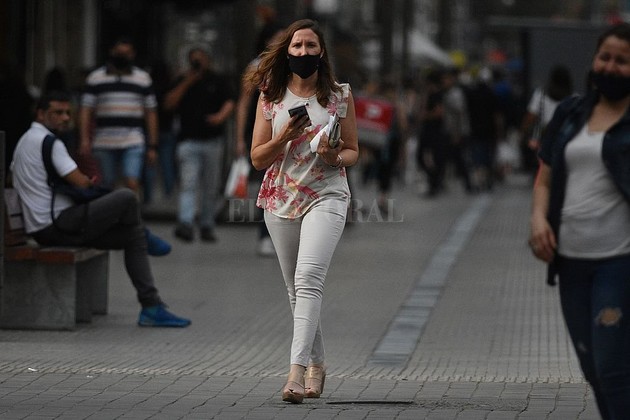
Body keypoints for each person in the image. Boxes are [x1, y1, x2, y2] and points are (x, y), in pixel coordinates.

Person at [246, 19, 358, 403]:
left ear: (321, 52)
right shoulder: (270, 96)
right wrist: (284, 137)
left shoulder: (339, 95)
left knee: (309, 278)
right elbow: (258, 158)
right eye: (297, 46)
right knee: (296, 289)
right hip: (281, 197)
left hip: (328, 193)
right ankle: (317, 365)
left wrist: (333, 155)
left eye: (311, 46)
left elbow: (353, 151)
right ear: (287, 51)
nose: (303, 52)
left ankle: (294, 372)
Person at [11, 91, 190, 328]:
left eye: (68, 113)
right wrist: (86, 181)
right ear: (41, 114)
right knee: (126, 197)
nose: (65, 118)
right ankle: (147, 239)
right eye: (58, 113)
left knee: (132, 236)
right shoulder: (49, 142)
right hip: (58, 224)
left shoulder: (25, 141)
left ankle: (151, 306)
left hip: (48, 226)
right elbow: (80, 182)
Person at [529, 23, 630, 419]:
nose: (610, 67)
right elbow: (545, 178)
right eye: (605, 57)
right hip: (570, 261)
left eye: (622, 61)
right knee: (592, 369)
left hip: (618, 261)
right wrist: (539, 220)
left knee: (612, 367)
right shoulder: (571, 113)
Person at [164, 47, 236, 243]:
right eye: (194, 60)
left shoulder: (218, 81)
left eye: (201, 60)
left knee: (210, 186)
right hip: (188, 141)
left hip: (213, 141)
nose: (198, 64)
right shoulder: (182, 80)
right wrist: (187, 81)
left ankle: (206, 224)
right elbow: (169, 103)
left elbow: (230, 101)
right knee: (188, 183)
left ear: (208, 60)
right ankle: (186, 223)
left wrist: (220, 117)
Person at [79, 37, 159, 192]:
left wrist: (153, 145)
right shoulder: (95, 78)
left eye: (127, 53)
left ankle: (131, 208)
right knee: (107, 185)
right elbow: (86, 109)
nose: (123, 57)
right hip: (104, 141)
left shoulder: (142, 79)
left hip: (133, 139)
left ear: (133, 54)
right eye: (119, 53)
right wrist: (84, 140)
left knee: (132, 182)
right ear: (112, 52)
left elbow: (151, 112)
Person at [234, 22, 284, 256]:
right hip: (263, 135)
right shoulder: (256, 67)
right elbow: (243, 105)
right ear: (267, 40)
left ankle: (281, 235)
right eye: (278, 37)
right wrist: (239, 138)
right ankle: (265, 234)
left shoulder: (295, 66)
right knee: (269, 184)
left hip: (288, 135)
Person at [520, 65, 573, 175]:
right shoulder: (573, 99)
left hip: (543, 138)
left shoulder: (541, 95)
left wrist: (523, 132)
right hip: (565, 139)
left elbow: (530, 117)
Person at [442, 67, 473, 193]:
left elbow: (459, 114)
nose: (444, 82)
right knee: (453, 158)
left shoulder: (455, 94)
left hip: (457, 132)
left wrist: (457, 133)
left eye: (446, 79)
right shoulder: (449, 93)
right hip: (452, 131)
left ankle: (468, 184)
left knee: (459, 158)